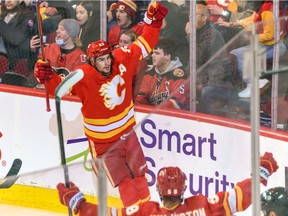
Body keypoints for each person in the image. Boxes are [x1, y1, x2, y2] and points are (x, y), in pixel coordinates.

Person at [34, 2, 168, 207]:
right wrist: (47, 75)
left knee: (140, 177)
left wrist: (155, 22)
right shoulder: (82, 74)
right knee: (124, 183)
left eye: (107, 58)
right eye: (101, 60)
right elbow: (59, 90)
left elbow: (146, 42)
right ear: (92, 61)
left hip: (127, 133)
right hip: (103, 143)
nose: (106, 63)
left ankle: (148, 212)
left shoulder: (121, 57)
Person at [56, 152, 278, 216]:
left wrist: (78, 203)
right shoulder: (203, 205)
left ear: (159, 191)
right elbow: (241, 196)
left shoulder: (144, 212)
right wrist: (261, 172)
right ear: (184, 190)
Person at [216, 0, 287, 99]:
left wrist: (252, 36)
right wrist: (233, 24)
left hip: (274, 47)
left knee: (240, 55)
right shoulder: (266, 6)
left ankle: (254, 84)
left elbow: (270, 35)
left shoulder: (268, 8)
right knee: (237, 53)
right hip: (271, 45)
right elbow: (252, 19)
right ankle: (255, 83)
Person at [185, 1, 237, 116]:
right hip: (200, 77)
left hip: (217, 81)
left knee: (204, 92)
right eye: (190, 15)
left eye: (194, 15)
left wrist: (189, 35)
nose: (190, 18)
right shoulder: (195, 32)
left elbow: (198, 57)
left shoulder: (212, 34)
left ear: (204, 18)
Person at [135, 38, 189, 110]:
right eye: (153, 52)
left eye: (157, 53)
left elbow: (176, 102)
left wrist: (155, 111)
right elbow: (141, 96)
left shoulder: (179, 75)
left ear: (167, 56)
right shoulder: (149, 73)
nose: (152, 56)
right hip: (154, 114)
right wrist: (137, 104)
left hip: (175, 118)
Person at [0, 0, 38, 84]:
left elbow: (16, 40)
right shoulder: (4, 14)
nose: (8, 1)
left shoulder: (28, 16)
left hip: (18, 68)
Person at [117, 29, 148, 99]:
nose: (121, 45)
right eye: (120, 41)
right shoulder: (116, 58)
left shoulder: (140, 62)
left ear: (133, 44)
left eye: (125, 42)